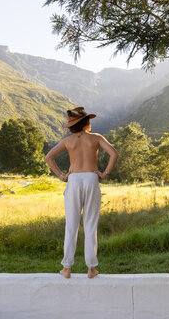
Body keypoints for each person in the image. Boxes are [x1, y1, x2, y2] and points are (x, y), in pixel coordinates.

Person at [45, 106, 119, 279]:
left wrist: (62, 176)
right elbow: (114, 154)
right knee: (90, 225)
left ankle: (66, 269)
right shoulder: (96, 138)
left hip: (74, 179)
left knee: (71, 225)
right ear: (87, 123)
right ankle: (91, 269)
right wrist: (105, 174)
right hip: (92, 178)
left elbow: (48, 157)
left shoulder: (68, 141)